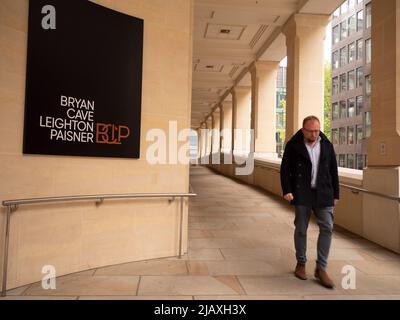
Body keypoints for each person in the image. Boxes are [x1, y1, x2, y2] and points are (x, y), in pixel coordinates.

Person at [280, 116, 339, 289]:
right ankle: (301, 263)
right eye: (310, 131)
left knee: (327, 227)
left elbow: (333, 170)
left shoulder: (327, 145)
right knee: (301, 228)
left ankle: (321, 268)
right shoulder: (293, 145)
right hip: (302, 192)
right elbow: (285, 169)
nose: (314, 134)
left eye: (317, 130)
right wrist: (287, 190)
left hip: (324, 192)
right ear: (303, 129)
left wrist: (336, 193)